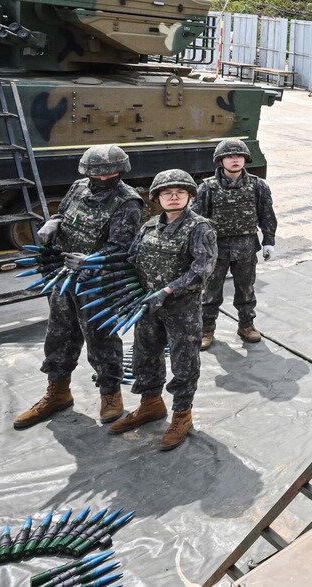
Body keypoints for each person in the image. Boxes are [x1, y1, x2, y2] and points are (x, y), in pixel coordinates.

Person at [14, 145, 145, 430]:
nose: (103, 177)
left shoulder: (128, 202)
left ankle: (110, 394)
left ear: (120, 171)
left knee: (102, 340)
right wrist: (54, 222)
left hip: (99, 284)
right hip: (64, 276)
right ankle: (58, 392)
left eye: (110, 172)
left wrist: (93, 260)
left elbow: (124, 249)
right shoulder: (78, 187)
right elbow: (64, 214)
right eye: (97, 173)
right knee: (59, 335)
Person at [109, 169, 217, 451]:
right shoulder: (148, 226)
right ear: (157, 197)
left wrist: (167, 291)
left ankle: (182, 414)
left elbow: (201, 271)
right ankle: (151, 404)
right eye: (167, 193)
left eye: (180, 192)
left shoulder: (200, 228)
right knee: (145, 355)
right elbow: (131, 259)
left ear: (190, 196)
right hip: (147, 305)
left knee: (184, 362)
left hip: (181, 309)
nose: (173, 197)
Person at [194, 138, 278, 349]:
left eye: (238, 156)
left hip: (246, 248)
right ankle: (206, 329)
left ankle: (246, 325)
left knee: (246, 290)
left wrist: (269, 241)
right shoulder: (207, 188)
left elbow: (267, 215)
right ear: (221, 160)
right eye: (230, 156)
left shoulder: (258, 186)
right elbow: (196, 220)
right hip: (215, 249)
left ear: (245, 159)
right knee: (210, 293)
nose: (234, 160)